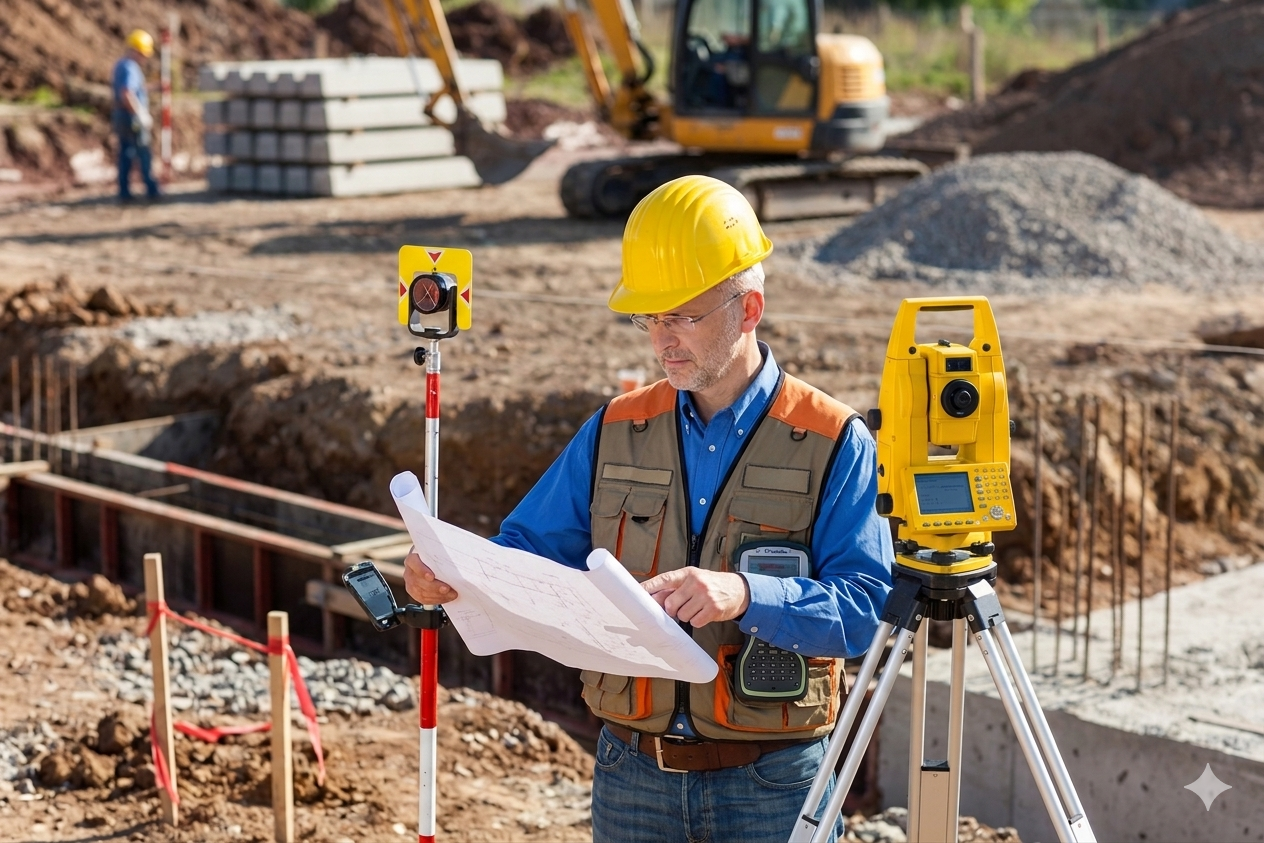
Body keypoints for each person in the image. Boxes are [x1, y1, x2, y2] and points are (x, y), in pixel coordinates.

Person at [404, 175, 893, 843]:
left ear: (749, 308)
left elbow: (864, 609)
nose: (663, 340)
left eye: (682, 317)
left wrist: (747, 594)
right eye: (650, 318)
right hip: (632, 777)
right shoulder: (614, 428)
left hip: (773, 786)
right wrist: (452, 571)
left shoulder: (834, 438)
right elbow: (526, 550)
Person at [111, 29, 160, 202]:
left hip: (122, 115)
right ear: (137, 51)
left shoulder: (122, 65)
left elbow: (133, 89)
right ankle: (151, 190)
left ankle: (124, 191)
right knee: (142, 152)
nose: (145, 59)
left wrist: (153, 88)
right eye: (144, 55)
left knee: (126, 152)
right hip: (130, 116)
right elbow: (126, 93)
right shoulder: (130, 67)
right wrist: (139, 114)